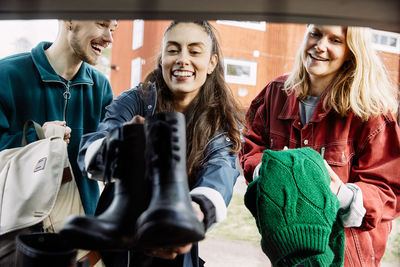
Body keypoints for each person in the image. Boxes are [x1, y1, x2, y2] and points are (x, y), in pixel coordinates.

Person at [77, 20, 243, 266]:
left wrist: (193, 215)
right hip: (117, 242)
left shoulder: (220, 122)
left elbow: (221, 172)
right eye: (173, 50)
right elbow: (89, 152)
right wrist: (118, 142)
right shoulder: (136, 100)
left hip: (174, 239)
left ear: (211, 63)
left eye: (194, 51)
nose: (182, 59)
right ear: (162, 59)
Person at [239, 24, 400, 266]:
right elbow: (251, 147)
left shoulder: (371, 111)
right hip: (289, 252)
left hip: (347, 257)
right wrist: (270, 171)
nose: (320, 45)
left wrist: (340, 194)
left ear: (351, 51)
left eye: (335, 40)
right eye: (315, 33)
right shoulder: (275, 93)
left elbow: (390, 192)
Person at [0, 20, 117, 265]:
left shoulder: (101, 88)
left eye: (113, 29)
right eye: (102, 24)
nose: (109, 38)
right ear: (69, 18)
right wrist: (38, 138)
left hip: (82, 244)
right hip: (16, 238)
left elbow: (104, 166)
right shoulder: (6, 75)